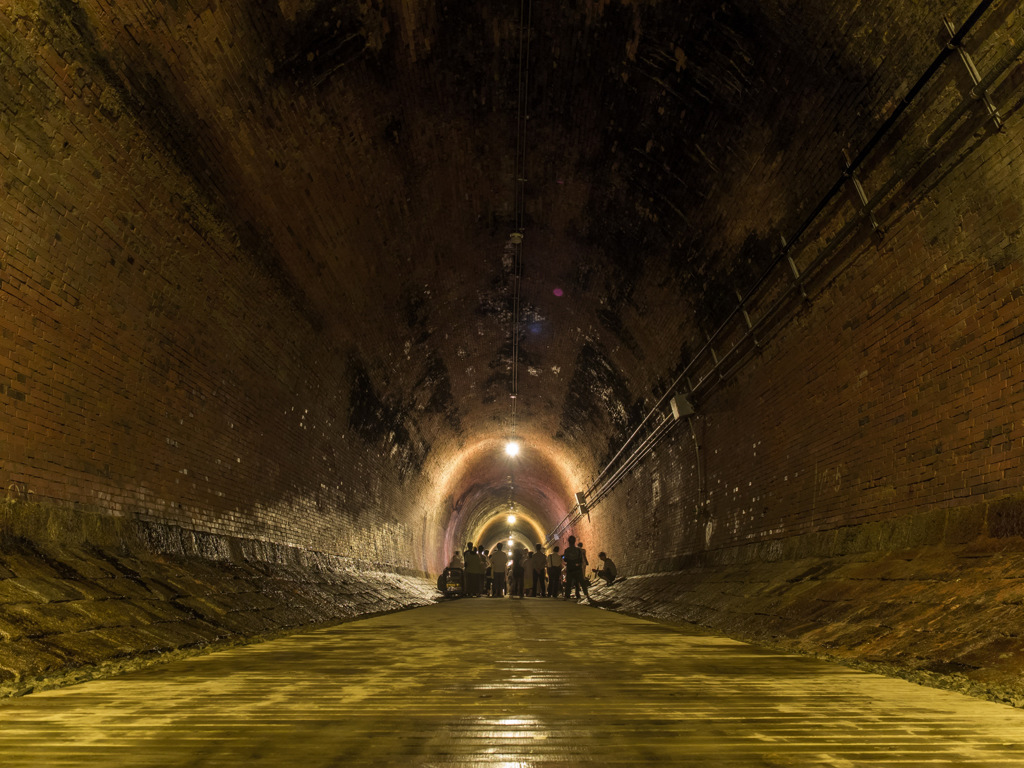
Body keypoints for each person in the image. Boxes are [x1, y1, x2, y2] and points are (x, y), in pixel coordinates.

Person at [562, 535, 588, 600]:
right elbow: (580, 559)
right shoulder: (578, 550)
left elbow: (565, 559)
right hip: (577, 568)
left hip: (570, 568)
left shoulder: (567, 550)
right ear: (574, 541)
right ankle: (584, 594)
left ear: (569, 542)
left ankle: (567, 595)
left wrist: (564, 557)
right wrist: (577, 563)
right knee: (580, 581)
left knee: (569, 583)